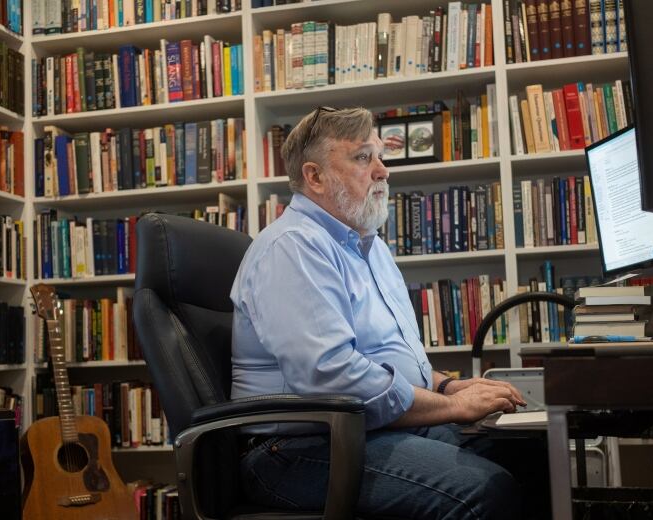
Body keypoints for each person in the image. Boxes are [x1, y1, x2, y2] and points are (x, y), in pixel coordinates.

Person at [230, 107, 548, 519]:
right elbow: (331, 376)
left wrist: (446, 386)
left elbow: (386, 356)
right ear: (315, 177)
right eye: (363, 157)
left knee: (532, 451)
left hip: (367, 430)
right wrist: (452, 408)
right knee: (484, 490)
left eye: (380, 156)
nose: (383, 171)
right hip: (297, 451)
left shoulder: (369, 247)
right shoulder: (293, 247)